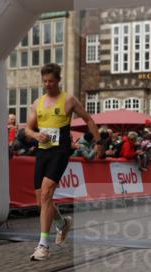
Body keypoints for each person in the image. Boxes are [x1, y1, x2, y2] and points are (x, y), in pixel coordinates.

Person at [27, 63, 98, 261]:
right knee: (41, 202)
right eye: (44, 81)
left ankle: (43, 246)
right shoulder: (37, 103)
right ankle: (62, 223)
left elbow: (89, 119)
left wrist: (99, 141)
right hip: (43, 152)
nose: (47, 85)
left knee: (47, 193)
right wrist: (36, 135)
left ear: (58, 80)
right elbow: (27, 129)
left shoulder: (68, 100)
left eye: (51, 81)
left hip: (60, 151)